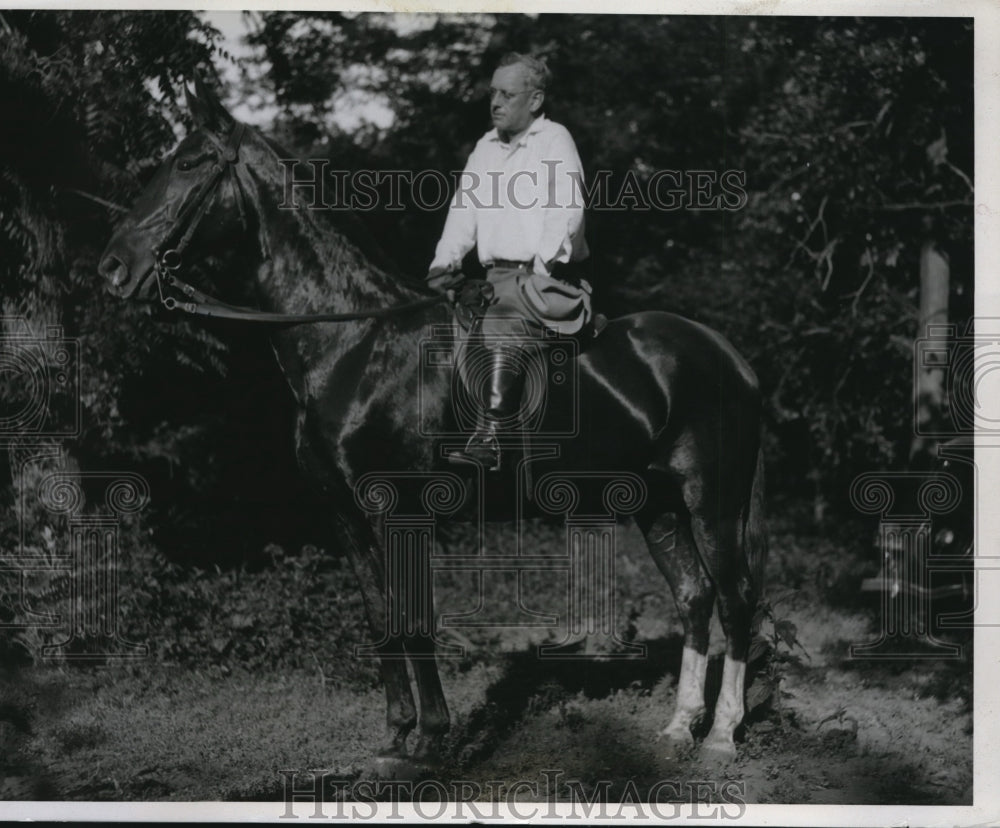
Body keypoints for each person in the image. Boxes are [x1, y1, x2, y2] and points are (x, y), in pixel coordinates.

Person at [427, 52, 591, 471]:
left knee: (502, 323)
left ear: (535, 100)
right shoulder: (485, 148)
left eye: (507, 93)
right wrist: (442, 267)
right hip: (492, 279)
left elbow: (567, 211)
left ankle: (493, 440)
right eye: (493, 93)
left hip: (543, 280)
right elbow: (463, 211)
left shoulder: (554, 140)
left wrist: (537, 271)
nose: (495, 102)